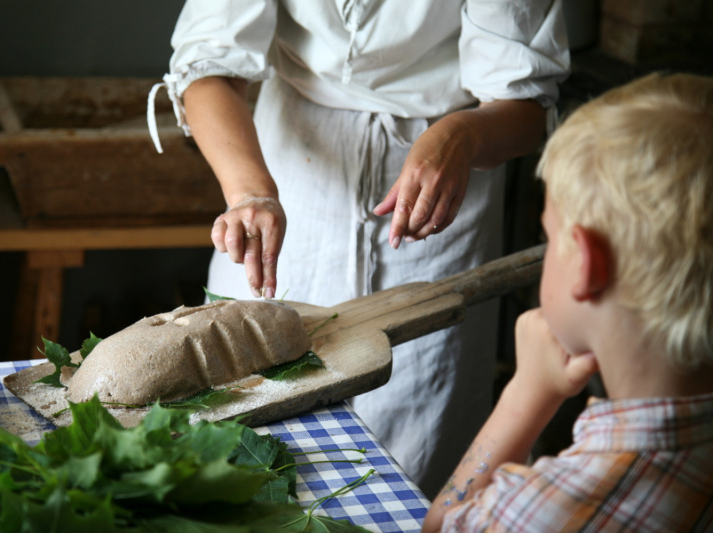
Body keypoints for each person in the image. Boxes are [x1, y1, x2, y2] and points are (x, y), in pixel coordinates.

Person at [147, 1, 570, 498]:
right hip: (288, 168)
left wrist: (463, 134)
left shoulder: (459, 144)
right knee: (247, 431)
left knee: (418, 450)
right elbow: (207, 67)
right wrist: (250, 192)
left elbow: (525, 107)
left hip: (443, 188)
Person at [423, 72, 713, 532]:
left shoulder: (543, 512)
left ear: (583, 263)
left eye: (549, 235)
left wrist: (527, 392)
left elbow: (440, 527)